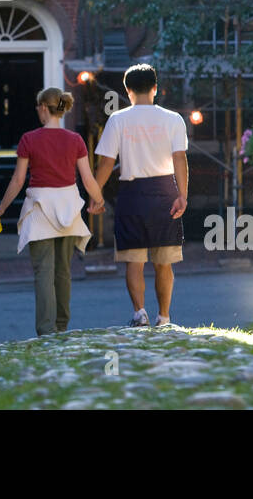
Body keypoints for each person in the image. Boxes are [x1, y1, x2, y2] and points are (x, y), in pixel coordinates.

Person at [0, 88, 106, 336]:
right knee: (63, 270)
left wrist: (1, 208)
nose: (36, 110)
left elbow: (18, 180)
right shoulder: (75, 139)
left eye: (37, 106)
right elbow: (87, 179)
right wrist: (98, 200)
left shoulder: (29, 139)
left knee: (43, 271)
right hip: (68, 206)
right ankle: (62, 325)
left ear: (44, 107)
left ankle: (46, 330)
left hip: (39, 208)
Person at [93, 63, 188, 327]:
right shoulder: (173, 119)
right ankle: (165, 316)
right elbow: (180, 158)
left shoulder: (117, 120)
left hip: (132, 193)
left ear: (127, 89)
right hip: (165, 191)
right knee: (164, 262)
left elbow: (106, 164)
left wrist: (95, 194)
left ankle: (140, 313)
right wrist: (183, 195)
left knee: (133, 260)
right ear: (155, 88)